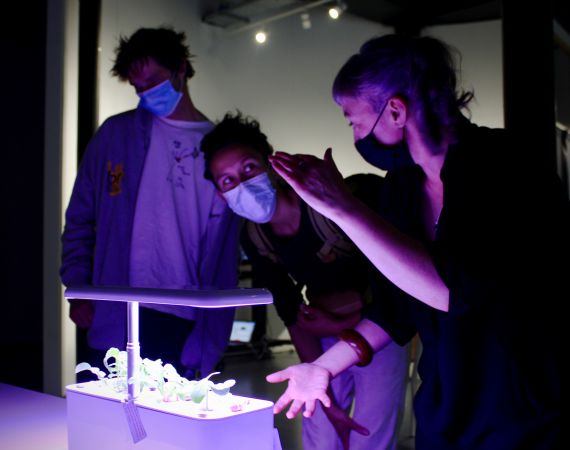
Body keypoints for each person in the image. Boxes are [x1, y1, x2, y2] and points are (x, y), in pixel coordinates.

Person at [266, 34, 567, 449]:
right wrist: (324, 367)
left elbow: (455, 290)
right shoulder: (402, 188)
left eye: (354, 120)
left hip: (524, 411)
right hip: (447, 411)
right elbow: (396, 306)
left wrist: (344, 209)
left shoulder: (506, 165)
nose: (354, 134)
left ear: (394, 110)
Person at [200, 112, 408, 450]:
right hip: (325, 335)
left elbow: (397, 293)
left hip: (381, 334)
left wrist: (343, 317)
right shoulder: (256, 237)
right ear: (221, 196)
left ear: (271, 162)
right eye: (227, 181)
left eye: (248, 168)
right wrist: (322, 386)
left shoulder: (329, 200)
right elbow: (292, 312)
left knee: (371, 432)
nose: (241, 185)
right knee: (321, 427)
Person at [60, 27, 240, 379]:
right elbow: (81, 217)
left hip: (184, 311)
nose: (145, 93)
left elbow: (223, 250)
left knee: (173, 425)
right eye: (137, 86)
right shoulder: (116, 135)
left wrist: (213, 327)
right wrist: (78, 287)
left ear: (181, 68)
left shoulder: (217, 147)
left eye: (153, 81)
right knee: (104, 419)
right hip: (115, 309)